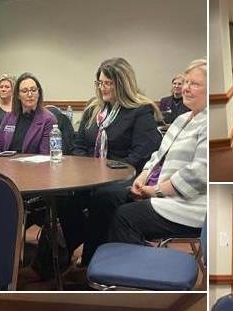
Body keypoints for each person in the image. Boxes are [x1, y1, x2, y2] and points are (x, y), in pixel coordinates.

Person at [58, 57, 162, 266]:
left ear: (122, 84)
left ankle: (92, 260)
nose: (102, 88)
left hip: (124, 177)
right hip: (90, 175)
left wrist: (107, 170)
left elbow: (141, 154)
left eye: (108, 83)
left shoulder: (140, 111)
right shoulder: (93, 109)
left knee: (104, 197)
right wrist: (88, 167)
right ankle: (59, 255)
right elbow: (78, 145)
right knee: (63, 195)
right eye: (100, 83)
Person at [107, 58, 207, 250]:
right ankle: (95, 262)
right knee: (109, 197)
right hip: (164, 193)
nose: (185, 88)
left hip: (189, 206)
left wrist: (157, 190)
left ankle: (138, 274)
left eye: (194, 84)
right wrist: (142, 177)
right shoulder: (182, 119)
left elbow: (198, 173)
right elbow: (158, 156)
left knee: (124, 217)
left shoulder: (207, 123)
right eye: (185, 82)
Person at [0, 72, 56, 154]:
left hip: (34, 166)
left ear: (39, 93)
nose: (30, 94)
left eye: (33, 90)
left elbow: (45, 155)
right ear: (18, 95)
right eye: (24, 91)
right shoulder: (9, 116)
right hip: (5, 164)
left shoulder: (48, 119)